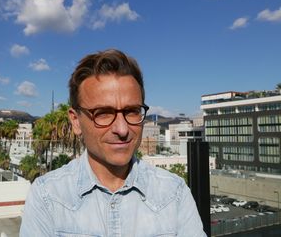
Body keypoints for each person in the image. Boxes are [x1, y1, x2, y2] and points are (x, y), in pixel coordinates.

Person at [20, 49, 206, 236]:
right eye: (103, 113)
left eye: (132, 111)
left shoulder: (174, 192)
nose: (122, 129)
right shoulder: (48, 196)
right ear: (76, 121)